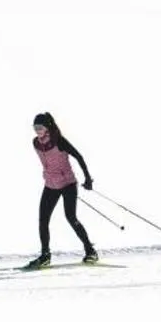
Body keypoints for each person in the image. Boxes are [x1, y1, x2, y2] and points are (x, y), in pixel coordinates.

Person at [23, 110, 97, 268]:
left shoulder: (59, 141)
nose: (37, 131)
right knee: (43, 219)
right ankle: (45, 255)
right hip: (50, 184)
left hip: (68, 184)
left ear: (48, 127)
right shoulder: (35, 143)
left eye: (40, 127)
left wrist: (87, 178)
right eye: (35, 128)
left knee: (71, 217)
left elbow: (78, 156)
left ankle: (91, 251)